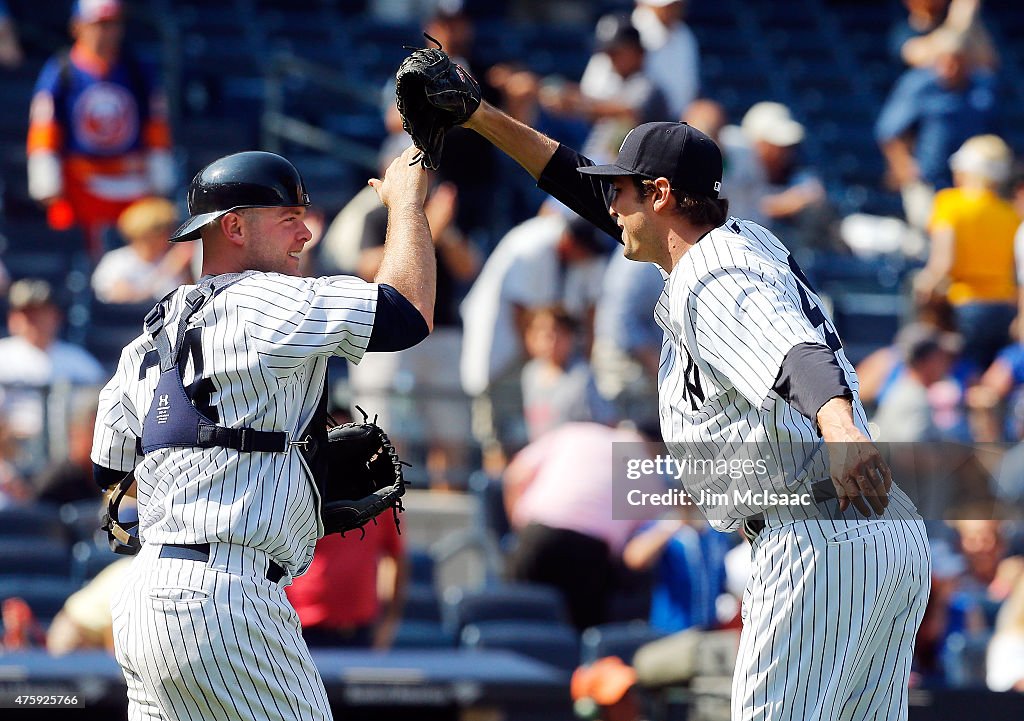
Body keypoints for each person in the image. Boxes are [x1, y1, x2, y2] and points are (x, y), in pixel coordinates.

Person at [452, 76, 930, 719]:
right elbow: (580, 185)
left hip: (815, 536)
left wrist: (843, 429)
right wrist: (482, 117)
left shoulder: (712, 275)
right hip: (878, 535)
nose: (608, 205)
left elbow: (794, 353)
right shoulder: (739, 243)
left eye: (622, 190)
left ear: (661, 194)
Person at [90, 146, 436, 721]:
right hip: (226, 600)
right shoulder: (263, 298)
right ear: (233, 226)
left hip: (146, 597)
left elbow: (110, 469)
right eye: (289, 218)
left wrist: (263, 472)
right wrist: (407, 205)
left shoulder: (151, 332)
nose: (306, 232)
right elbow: (406, 314)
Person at [27, 0, 174, 257]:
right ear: (77, 27)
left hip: (132, 187)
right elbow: (44, 128)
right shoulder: (61, 71)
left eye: (113, 24)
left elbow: (156, 125)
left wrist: (159, 174)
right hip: (79, 188)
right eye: (99, 25)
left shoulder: (138, 70)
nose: (107, 32)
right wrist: (46, 181)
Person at [913, 135, 1020, 373]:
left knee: (962, 377)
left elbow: (943, 263)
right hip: (1004, 309)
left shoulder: (949, 203)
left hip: (964, 308)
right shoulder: (1011, 214)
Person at [875, 29, 998, 229]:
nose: (950, 68)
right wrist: (905, 170)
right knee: (932, 236)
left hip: (970, 185)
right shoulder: (920, 85)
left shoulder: (981, 88)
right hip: (929, 182)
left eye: (957, 60)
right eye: (945, 60)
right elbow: (888, 131)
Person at [286, 520, 408, 650]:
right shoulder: (302, 500)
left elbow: (396, 556)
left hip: (360, 630)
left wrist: (389, 621)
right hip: (300, 625)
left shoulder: (381, 503)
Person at [580, 0, 699, 120]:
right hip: (633, 121)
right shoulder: (624, 32)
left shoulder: (684, 35)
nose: (673, 10)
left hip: (664, 118)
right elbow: (591, 93)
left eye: (676, 5)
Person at [521, 305, 613, 440]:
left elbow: (607, 422)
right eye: (542, 335)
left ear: (569, 337)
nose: (550, 342)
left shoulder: (582, 377)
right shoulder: (530, 374)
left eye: (556, 334)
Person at [92, 196, 193, 303]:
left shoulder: (177, 259)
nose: (169, 235)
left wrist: (187, 270)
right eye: (162, 230)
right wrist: (168, 270)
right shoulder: (116, 261)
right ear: (145, 233)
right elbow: (123, 300)